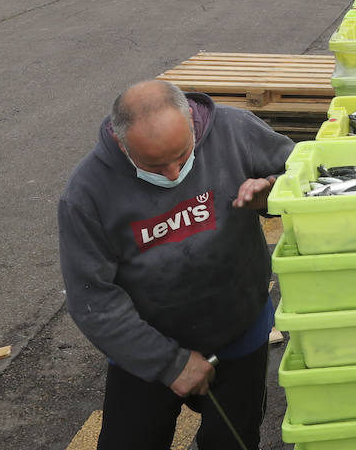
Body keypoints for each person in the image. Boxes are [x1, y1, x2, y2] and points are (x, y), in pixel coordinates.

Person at [58, 80, 294, 450]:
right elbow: (94, 300)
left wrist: (274, 193)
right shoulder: (87, 193)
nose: (171, 175)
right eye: (154, 164)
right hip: (145, 348)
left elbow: (312, 183)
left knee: (232, 441)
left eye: (183, 157)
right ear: (122, 143)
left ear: (190, 121)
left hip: (240, 332)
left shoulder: (236, 131)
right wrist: (169, 363)